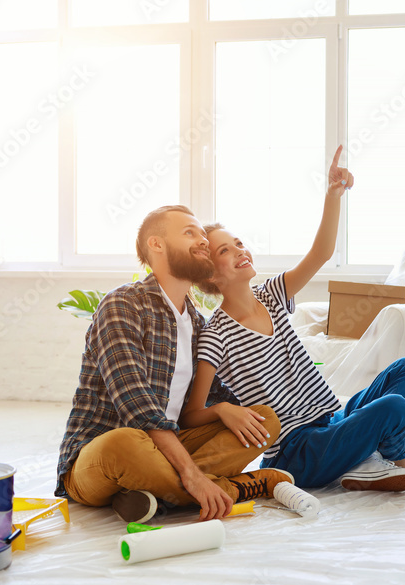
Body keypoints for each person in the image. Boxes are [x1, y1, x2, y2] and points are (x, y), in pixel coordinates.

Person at [180, 146, 405, 491]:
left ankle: (366, 461)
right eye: (225, 251)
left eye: (239, 243)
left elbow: (321, 253)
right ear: (211, 276)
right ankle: (398, 461)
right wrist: (222, 411)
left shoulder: (271, 294)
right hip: (298, 451)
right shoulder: (217, 335)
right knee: (395, 408)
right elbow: (191, 413)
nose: (240, 251)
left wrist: (333, 194)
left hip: (330, 420)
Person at [55, 204, 292, 524]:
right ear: (157, 245)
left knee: (262, 420)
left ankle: (149, 496)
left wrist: (223, 410)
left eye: (202, 235)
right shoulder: (123, 303)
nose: (203, 240)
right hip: (103, 455)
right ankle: (235, 488)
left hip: (168, 446)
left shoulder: (196, 323)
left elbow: (207, 399)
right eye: (189, 233)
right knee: (125, 441)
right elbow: (137, 407)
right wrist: (193, 476)